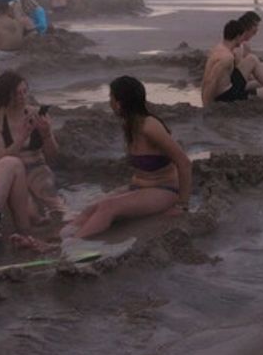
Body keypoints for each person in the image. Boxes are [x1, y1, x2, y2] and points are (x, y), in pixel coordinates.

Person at [68, 76, 191, 238]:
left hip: (164, 190)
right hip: (138, 188)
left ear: (119, 103)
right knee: (90, 209)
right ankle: (61, 238)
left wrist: (182, 205)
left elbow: (184, 162)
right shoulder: (130, 124)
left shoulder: (149, 126)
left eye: (110, 98)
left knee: (108, 206)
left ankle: (71, 246)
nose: (109, 103)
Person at [0, 71, 61, 222]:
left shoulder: (36, 113)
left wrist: (47, 134)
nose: (22, 97)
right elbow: (0, 159)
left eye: (24, 91)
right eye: (17, 94)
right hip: (11, 172)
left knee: (56, 206)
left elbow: (53, 157)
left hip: (37, 167)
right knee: (31, 214)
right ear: (5, 95)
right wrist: (22, 136)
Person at [201, 19, 255, 105]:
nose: (243, 41)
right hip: (227, 96)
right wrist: (207, 105)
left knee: (259, 82)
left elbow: (206, 78)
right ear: (237, 37)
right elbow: (211, 80)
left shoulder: (217, 48)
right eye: (242, 37)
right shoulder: (227, 57)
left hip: (227, 88)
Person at [235, 11, 263, 90]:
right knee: (254, 59)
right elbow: (242, 75)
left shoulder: (242, 44)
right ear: (247, 28)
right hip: (233, 87)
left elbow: (243, 70)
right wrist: (262, 72)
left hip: (235, 81)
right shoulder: (236, 47)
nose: (255, 33)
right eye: (254, 31)